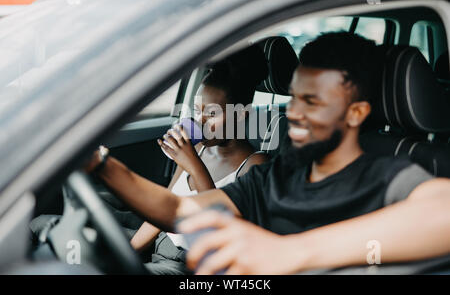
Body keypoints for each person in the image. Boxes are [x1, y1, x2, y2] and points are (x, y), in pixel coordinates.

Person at [86, 32, 450, 275]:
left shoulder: (384, 175)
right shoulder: (278, 175)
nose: (294, 112)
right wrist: (101, 164)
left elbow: (442, 211)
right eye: (294, 97)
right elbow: (179, 210)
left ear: (355, 113)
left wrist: (293, 252)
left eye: (313, 101)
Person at [87, 45, 269, 274]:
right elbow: (164, 206)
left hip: (189, 264)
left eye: (212, 114)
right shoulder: (200, 148)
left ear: (242, 114)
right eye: (196, 110)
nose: (200, 120)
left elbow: (220, 228)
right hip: (162, 243)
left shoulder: (255, 165)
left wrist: (194, 166)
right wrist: (128, 253)